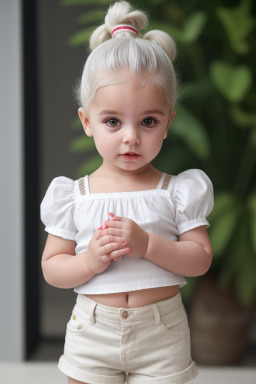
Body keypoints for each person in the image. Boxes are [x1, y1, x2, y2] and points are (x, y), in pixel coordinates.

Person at [40, 1, 214, 383]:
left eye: (148, 121)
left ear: (168, 122)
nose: (131, 137)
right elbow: (52, 266)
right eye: (113, 121)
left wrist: (148, 245)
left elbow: (200, 259)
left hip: (161, 334)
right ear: (88, 121)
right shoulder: (74, 196)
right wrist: (89, 262)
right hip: (93, 330)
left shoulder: (176, 191)